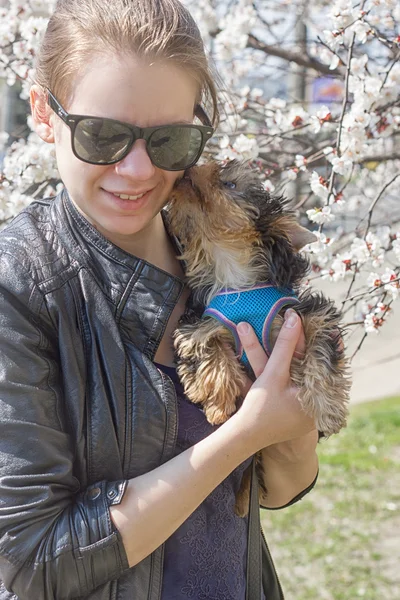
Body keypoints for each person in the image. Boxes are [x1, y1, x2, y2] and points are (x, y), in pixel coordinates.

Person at [0, 1, 319, 598]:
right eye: (103, 135)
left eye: (170, 140)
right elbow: (33, 560)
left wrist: (292, 429)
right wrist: (244, 434)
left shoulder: (223, 255)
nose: (139, 170)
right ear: (44, 113)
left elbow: (277, 490)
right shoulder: (19, 285)